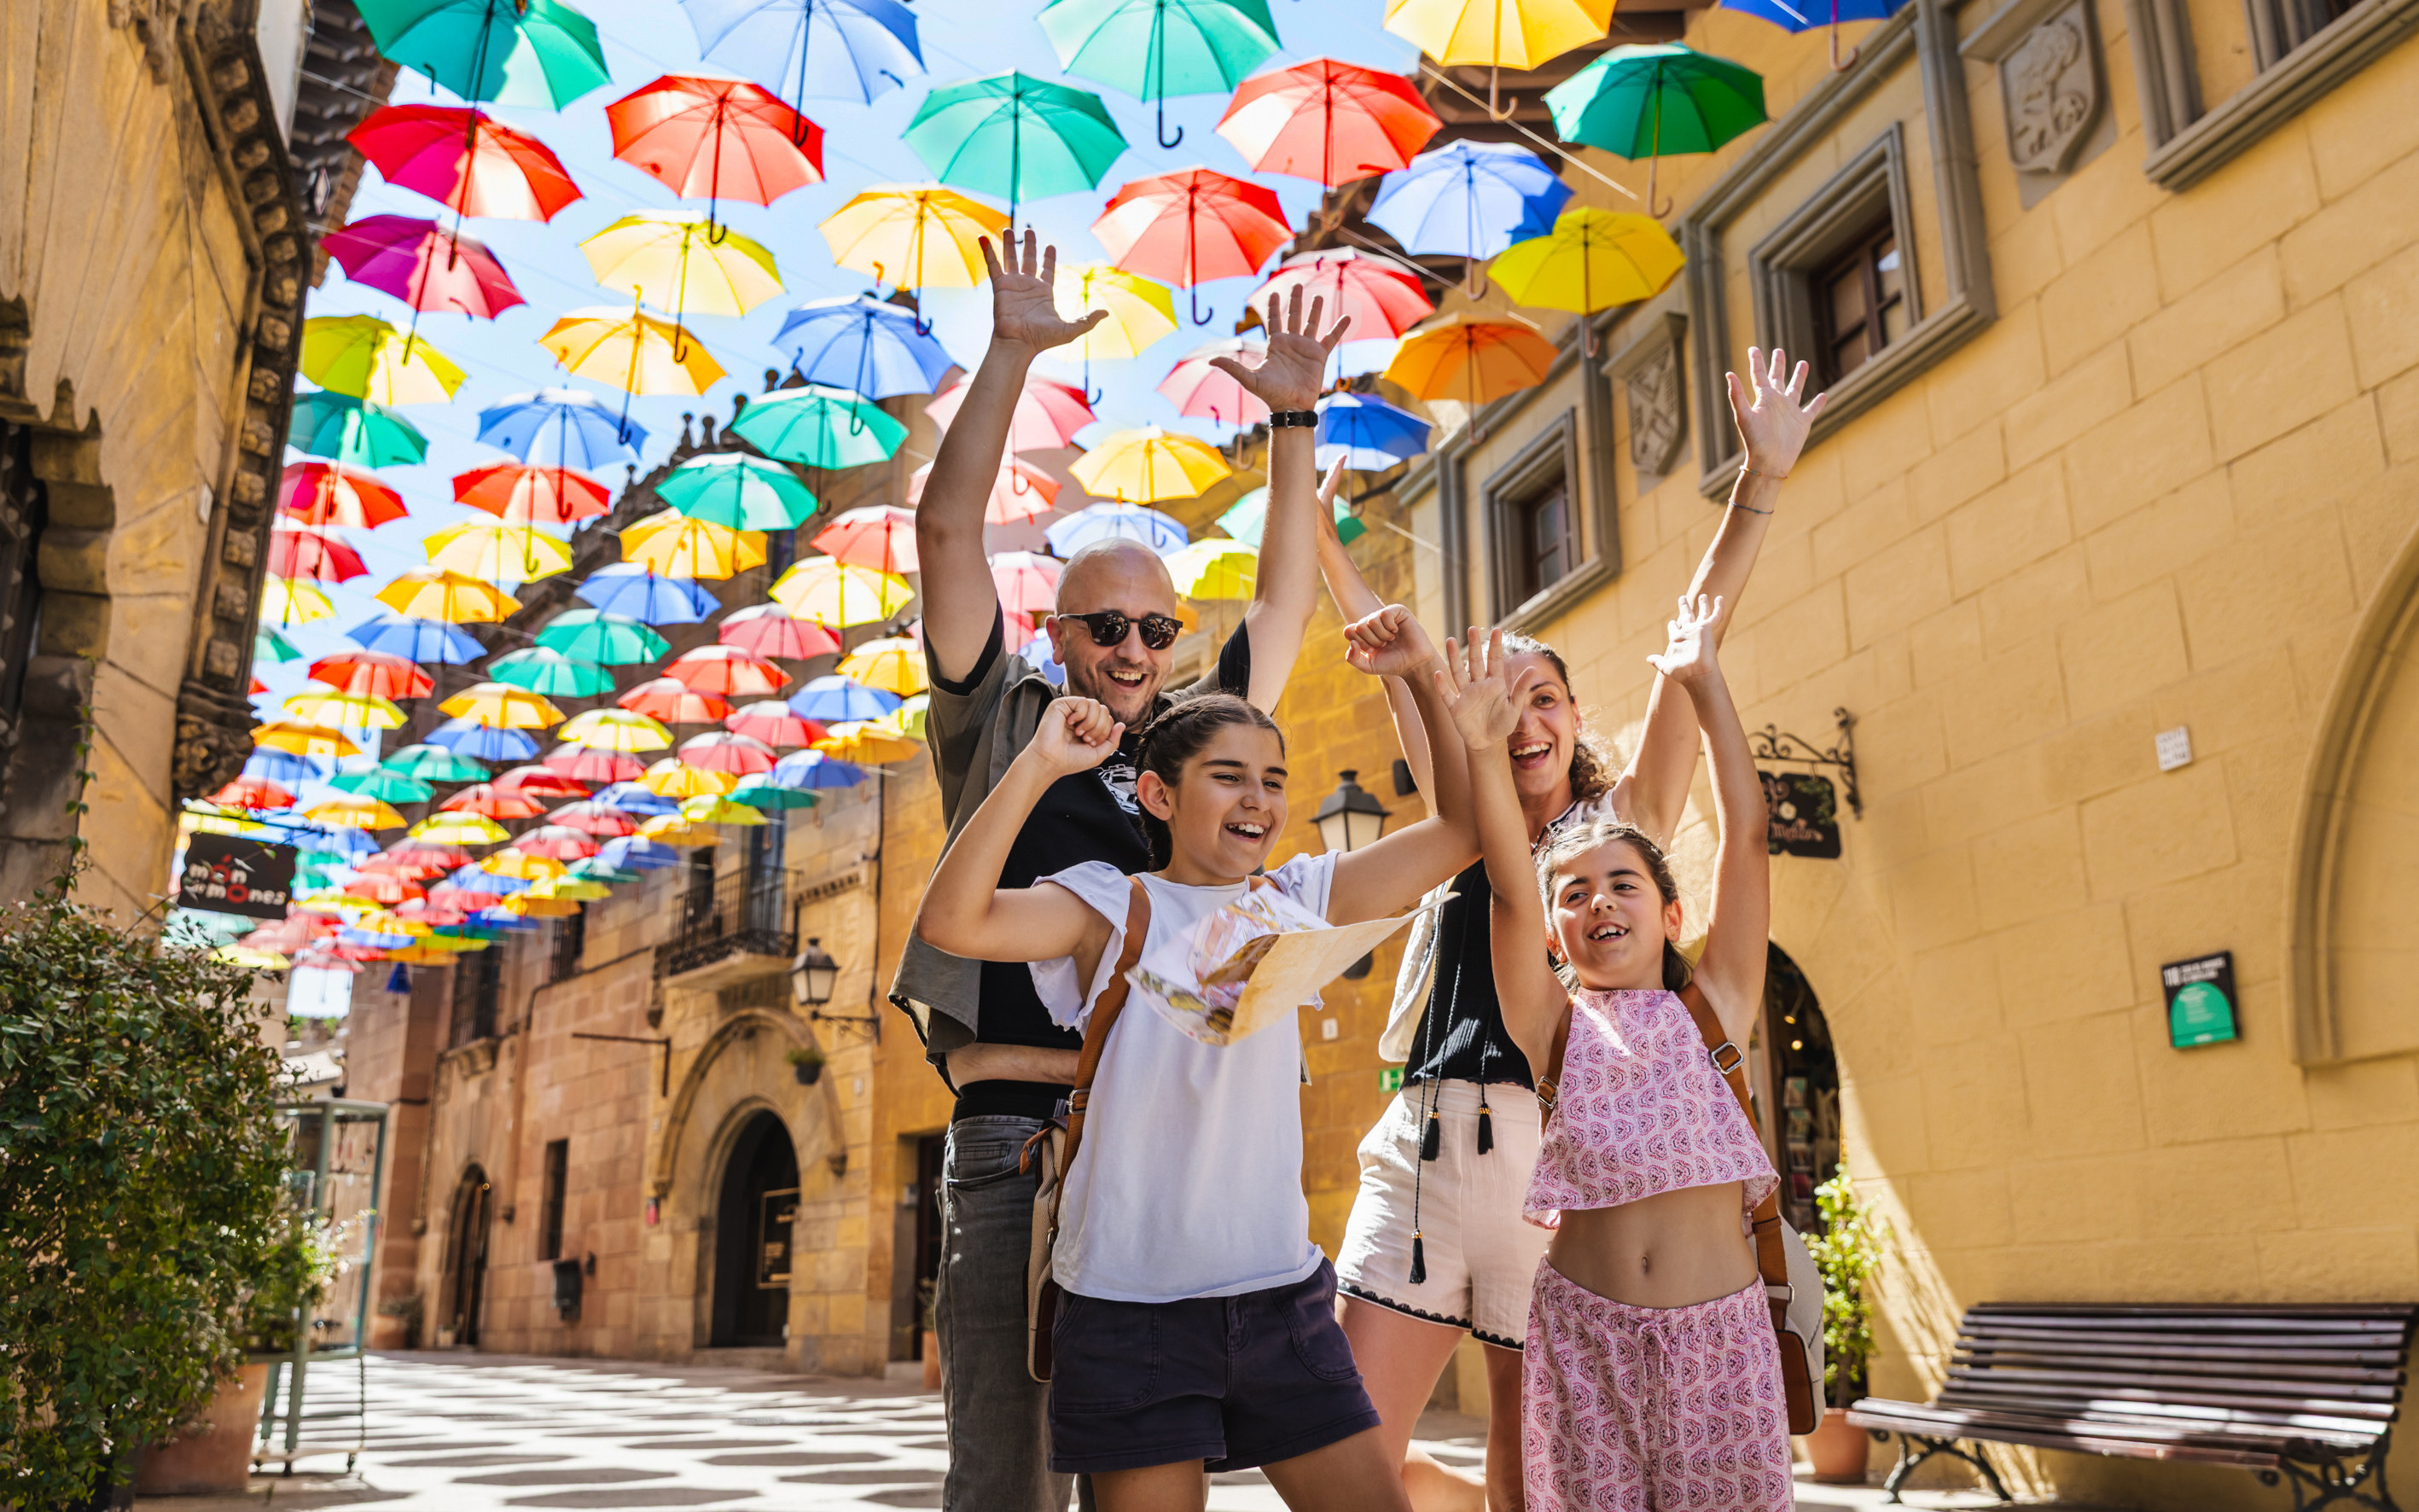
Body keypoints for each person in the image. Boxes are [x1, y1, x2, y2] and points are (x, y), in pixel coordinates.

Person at [888, 230, 1349, 1512]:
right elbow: (945, 532)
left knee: (1138, 1484)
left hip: (1156, 1139)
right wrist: (1010, 353)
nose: (1135, 648)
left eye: (1156, 626)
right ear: (1059, 631)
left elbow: (1284, 606)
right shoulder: (1002, 715)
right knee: (1008, 1480)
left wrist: (1294, 420)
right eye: (1107, 626)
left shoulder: (1192, 750)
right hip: (1016, 1142)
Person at [1318, 351, 1826, 1511]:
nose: (1524, 717)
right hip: (1429, 1132)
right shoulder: (1468, 815)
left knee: (1531, 1471)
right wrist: (1329, 543)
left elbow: (1692, 642)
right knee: (1350, 1452)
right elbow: (1396, 665)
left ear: (1572, 713)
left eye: (1544, 696)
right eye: (1504, 699)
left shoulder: (1619, 830)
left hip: (1551, 1151)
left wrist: (1759, 481)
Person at [910, 600, 1478, 1512]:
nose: (1259, 799)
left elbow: (1462, 830)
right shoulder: (1111, 906)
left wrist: (1414, 676)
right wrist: (1039, 764)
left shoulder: (1297, 898)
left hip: (1280, 1298)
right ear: (1159, 796)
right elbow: (951, 922)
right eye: (1228, 776)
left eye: (1273, 779)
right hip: (1126, 1311)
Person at [1445, 605, 1788, 1510]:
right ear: (1552, 933)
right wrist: (1482, 749)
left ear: (1670, 914)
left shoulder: (1716, 1007)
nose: (1598, 901)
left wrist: (1705, 684)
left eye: (1622, 884)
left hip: (1722, 1345)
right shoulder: (1549, 1027)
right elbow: (1508, 889)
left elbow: (1748, 836)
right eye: (1573, 893)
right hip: (1581, 1341)